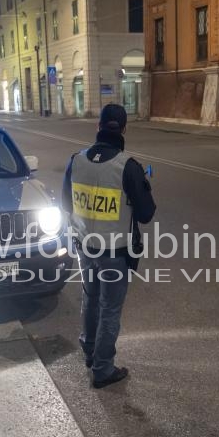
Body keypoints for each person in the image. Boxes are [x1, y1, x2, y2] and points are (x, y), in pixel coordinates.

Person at [62, 104, 156, 389]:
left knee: (90, 300)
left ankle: (90, 352)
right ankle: (103, 369)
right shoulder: (128, 166)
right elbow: (146, 214)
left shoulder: (76, 161)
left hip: (85, 248)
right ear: (124, 129)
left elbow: (66, 203)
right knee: (109, 310)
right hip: (115, 253)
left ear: (98, 127)